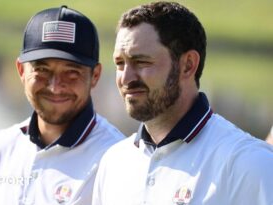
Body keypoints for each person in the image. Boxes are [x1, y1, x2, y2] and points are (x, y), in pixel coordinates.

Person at [92, 1, 273, 205]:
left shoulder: (249, 163)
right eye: (120, 63)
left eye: (142, 62)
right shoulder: (114, 162)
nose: (126, 78)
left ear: (188, 65)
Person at [0, 5, 125, 205]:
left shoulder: (117, 158)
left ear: (95, 76)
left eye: (71, 73)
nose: (55, 87)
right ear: (21, 71)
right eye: (42, 70)